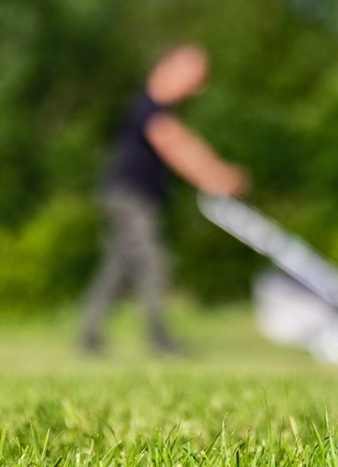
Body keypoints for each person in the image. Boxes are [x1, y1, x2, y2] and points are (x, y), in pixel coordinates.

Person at [81, 44, 249, 354]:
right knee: (152, 263)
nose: (197, 87)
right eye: (193, 76)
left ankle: (89, 336)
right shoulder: (149, 106)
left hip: (129, 195)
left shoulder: (159, 110)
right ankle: (158, 339)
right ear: (167, 68)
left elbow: (185, 141)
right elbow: (175, 144)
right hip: (130, 196)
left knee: (117, 268)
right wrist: (213, 177)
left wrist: (214, 170)